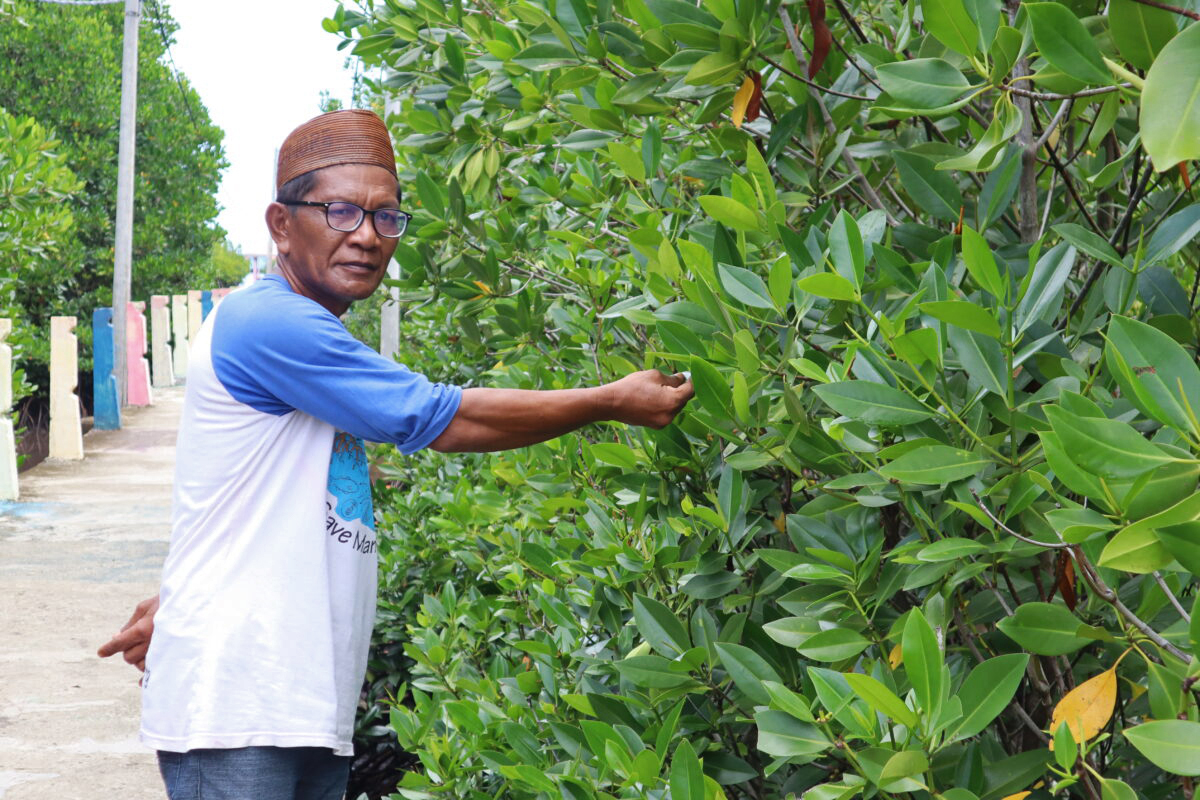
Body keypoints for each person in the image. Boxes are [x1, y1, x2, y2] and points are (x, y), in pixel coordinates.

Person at [96, 109, 694, 800]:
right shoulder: (272, 322)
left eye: (386, 218)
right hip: (239, 710)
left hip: (293, 704)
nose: (367, 237)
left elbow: (254, 500)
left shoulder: (303, 331)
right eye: (341, 211)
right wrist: (609, 401)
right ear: (281, 224)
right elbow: (439, 418)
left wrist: (192, 594)